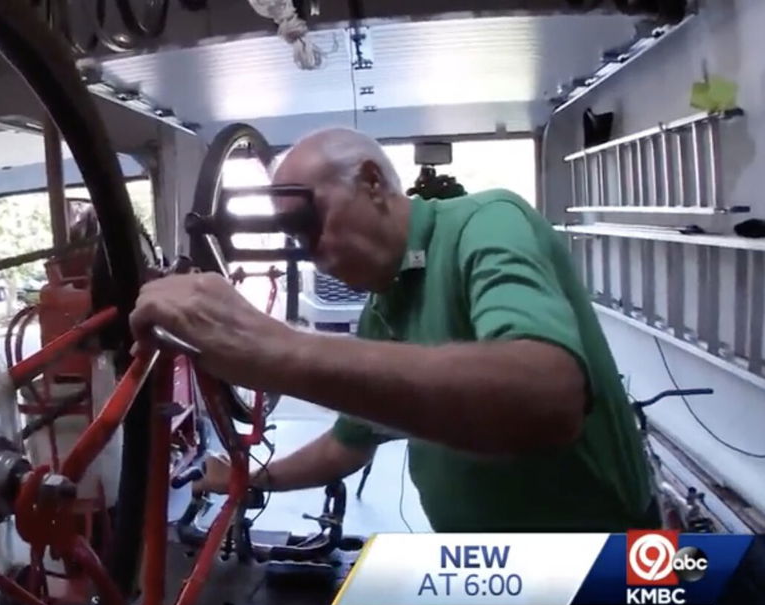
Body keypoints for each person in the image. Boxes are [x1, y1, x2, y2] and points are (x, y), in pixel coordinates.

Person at [129, 127, 659, 532]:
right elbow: (348, 445)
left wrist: (274, 348)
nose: (307, 249)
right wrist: (250, 478)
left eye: (309, 222)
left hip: (602, 559)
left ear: (373, 182)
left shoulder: (487, 222)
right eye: (292, 235)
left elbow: (546, 397)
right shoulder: (381, 311)